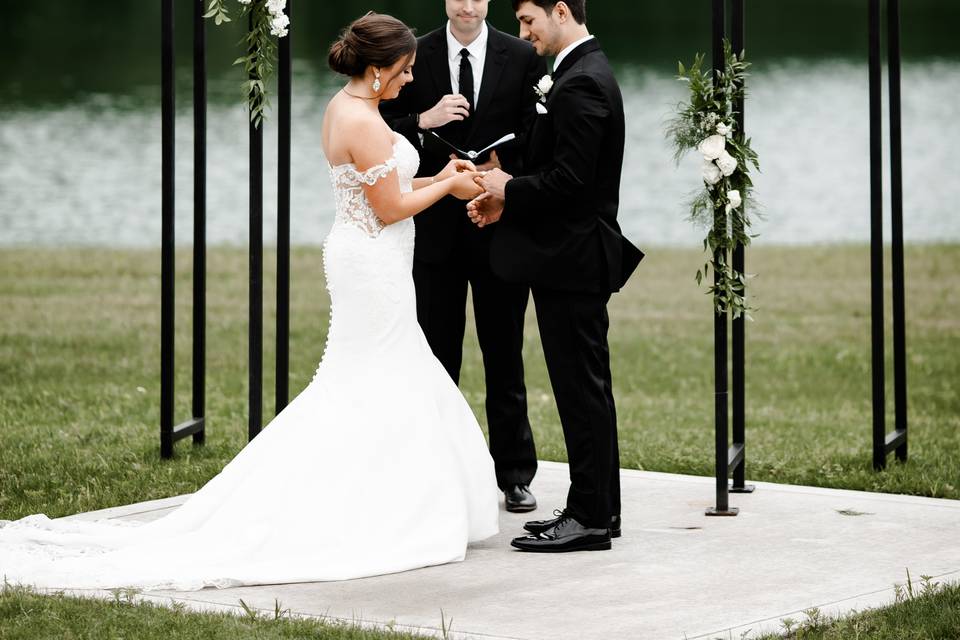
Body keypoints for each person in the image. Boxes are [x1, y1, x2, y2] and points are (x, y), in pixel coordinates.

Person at [0, 12, 499, 591]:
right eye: (406, 70)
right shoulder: (359, 120)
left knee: (380, 375)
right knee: (372, 379)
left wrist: (440, 175)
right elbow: (387, 208)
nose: (411, 79)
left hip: (375, 261)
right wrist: (448, 185)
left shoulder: (355, 109)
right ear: (377, 68)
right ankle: (360, 506)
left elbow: (385, 189)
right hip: (370, 265)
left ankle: (386, 498)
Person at [468, 0, 644, 552]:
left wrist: (506, 190)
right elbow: (559, 169)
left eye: (528, 21)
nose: (525, 34)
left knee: (581, 390)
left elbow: (572, 183)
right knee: (583, 389)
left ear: (561, 11)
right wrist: (510, 192)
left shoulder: (582, 83)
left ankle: (589, 517)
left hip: (573, 261)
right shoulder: (574, 74)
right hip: (566, 257)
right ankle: (598, 509)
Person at [380, 0, 547, 513]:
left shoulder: (521, 56)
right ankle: (436, 471)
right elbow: (379, 126)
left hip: (498, 225)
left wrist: (504, 169)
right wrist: (423, 119)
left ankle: (514, 474)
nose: (468, 5)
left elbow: (538, 132)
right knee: (436, 356)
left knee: (504, 357)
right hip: (434, 231)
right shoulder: (416, 54)